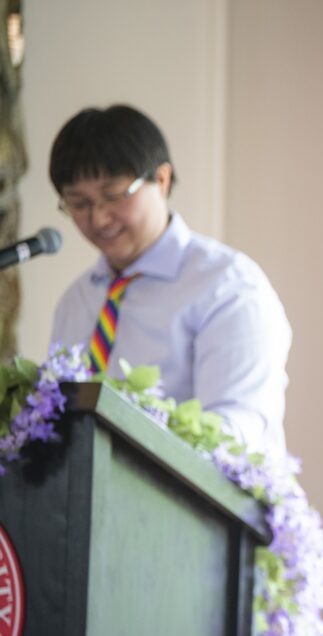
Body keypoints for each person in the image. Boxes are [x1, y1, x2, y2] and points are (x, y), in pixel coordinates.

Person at [48, 105, 291, 454]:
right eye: (79, 203)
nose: (99, 218)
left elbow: (235, 430)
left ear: (161, 180)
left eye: (113, 196)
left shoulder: (227, 286)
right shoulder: (76, 301)